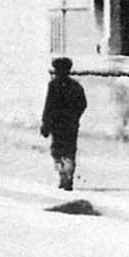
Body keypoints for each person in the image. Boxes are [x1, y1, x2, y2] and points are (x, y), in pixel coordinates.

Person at [40, 56, 89, 192]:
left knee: (60, 151)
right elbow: (82, 104)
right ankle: (67, 178)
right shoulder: (74, 86)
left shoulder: (54, 85)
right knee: (67, 151)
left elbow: (48, 106)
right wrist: (74, 117)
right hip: (68, 125)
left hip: (60, 124)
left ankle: (65, 178)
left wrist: (46, 123)